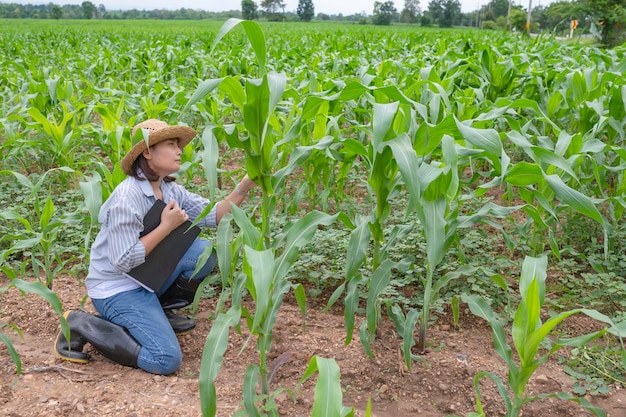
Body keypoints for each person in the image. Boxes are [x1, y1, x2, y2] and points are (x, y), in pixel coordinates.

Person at [53, 119, 256, 375]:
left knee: (202, 254)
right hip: (117, 288)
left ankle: (157, 311)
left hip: (145, 276)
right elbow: (124, 260)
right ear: (147, 153)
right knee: (165, 359)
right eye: (171, 144)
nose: (179, 150)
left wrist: (245, 185)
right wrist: (165, 227)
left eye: (178, 145)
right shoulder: (127, 199)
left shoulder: (169, 188)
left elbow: (214, 216)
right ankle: (82, 323)